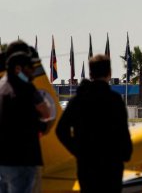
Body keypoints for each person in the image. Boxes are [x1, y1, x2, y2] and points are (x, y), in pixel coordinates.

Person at [56, 54, 132, 193]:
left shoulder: (78, 100)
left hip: (87, 166)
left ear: (90, 74)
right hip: (112, 166)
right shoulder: (115, 100)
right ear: (109, 73)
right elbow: (123, 131)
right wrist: (125, 154)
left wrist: (78, 151)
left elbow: (61, 130)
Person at [0, 42, 52, 193]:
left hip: (3, 160)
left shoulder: (1, 86)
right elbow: (47, 113)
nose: (32, 73)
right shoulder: (26, 88)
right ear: (18, 67)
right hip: (23, 159)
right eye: (30, 68)